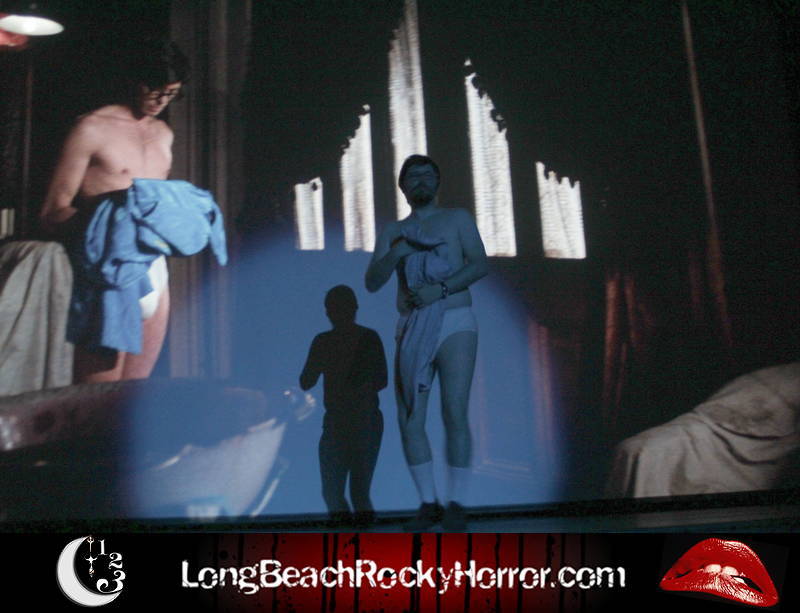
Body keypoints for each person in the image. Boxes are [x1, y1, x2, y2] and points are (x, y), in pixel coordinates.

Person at [39, 41, 193, 383]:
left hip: (153, 267)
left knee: (135, 395)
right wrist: (107, 219)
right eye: (155, 90)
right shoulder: (91, 128)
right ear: (136, 81)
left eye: (171, 94)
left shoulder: (163, 134)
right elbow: (52, 212)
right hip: (107, 269)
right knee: (98, 397)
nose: (161, 101)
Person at [365, 154, 488, 531]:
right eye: (413, 176)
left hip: (454, 320)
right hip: (412, 323)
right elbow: (372, 281)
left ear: (437, 182)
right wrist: (397, 252)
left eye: (427, 174)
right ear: (402, 186)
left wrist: (441, 289)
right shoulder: (393, 231)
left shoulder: (457, 218)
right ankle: (428, 502)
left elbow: (479, 263)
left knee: (454, 410)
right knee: (410, 417)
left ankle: (457, 502)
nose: (420, 180)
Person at [299, 285, 387, 528]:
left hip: (349, 421)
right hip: (361, 421)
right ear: (355, 308)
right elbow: (382, 380)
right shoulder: (368, 338)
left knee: (336, 491)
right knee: (357, 492)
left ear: (328, 311)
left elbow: (306, 381)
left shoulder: (324, 341)